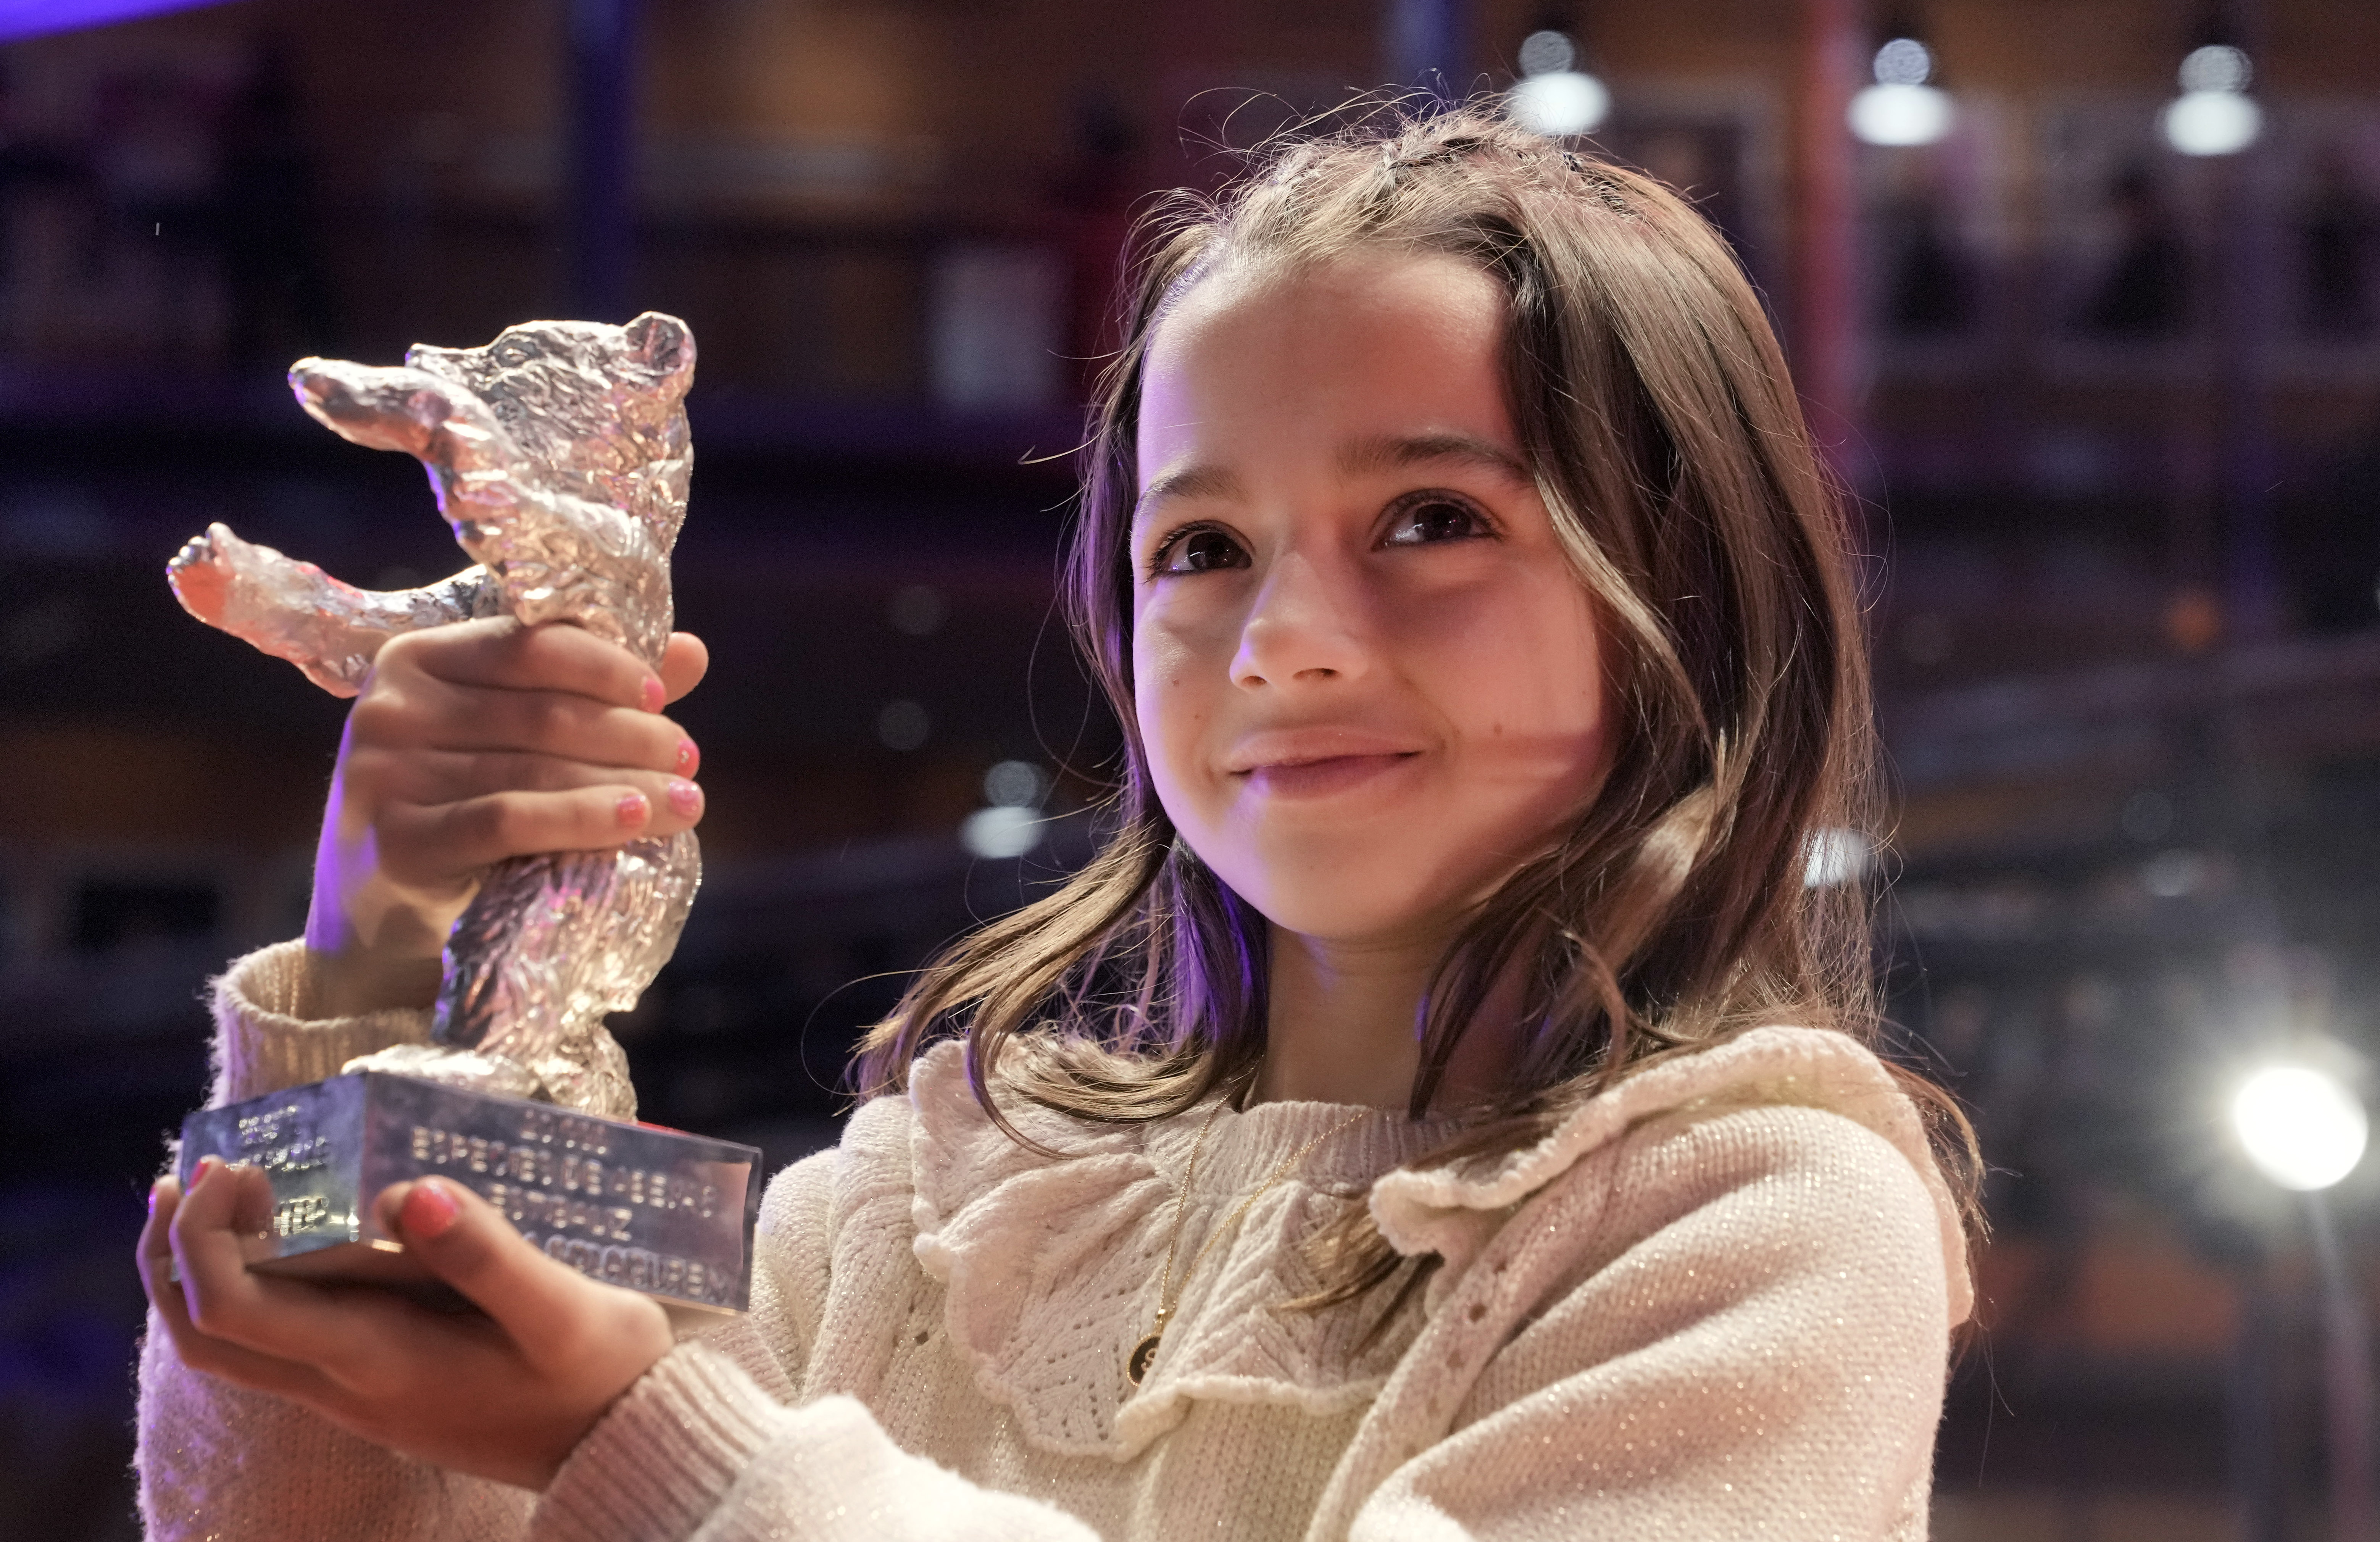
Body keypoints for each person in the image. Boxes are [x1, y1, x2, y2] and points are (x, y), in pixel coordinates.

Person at [135, 107, 1979, 1542]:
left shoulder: (1759, 1216)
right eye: (1201, 548)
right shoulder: (907, 1207)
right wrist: (376, 968)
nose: (1285, 643)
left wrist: (659, 1446)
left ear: (1694, 596)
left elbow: (653, 1456)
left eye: (1430, 517)